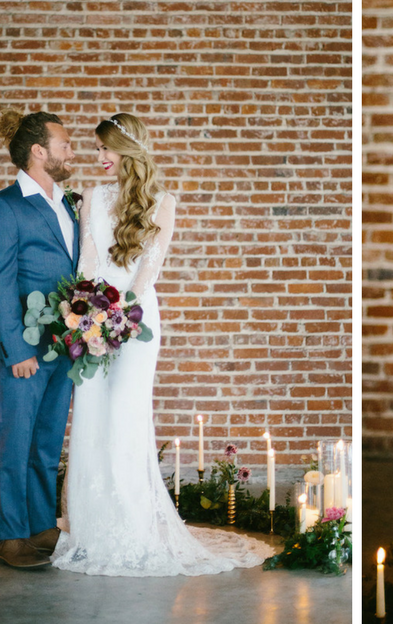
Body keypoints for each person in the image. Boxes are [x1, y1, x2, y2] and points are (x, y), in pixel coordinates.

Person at [51, 113, 271, 576]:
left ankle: (134, 527)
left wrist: (118, 316)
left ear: (129, 151)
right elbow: (88, 261)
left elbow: (148, 272)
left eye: (106, 149)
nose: (100, 158)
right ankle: (91, 528)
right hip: (94, 317)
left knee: (126, 415)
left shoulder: (162, 202)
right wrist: (86, 313)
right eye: (96, 150)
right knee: (90, 413)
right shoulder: (92, 197)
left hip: (136, 318)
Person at [0, 109, 78, 569]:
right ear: (39, 151)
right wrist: (17, 349)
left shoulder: (70, 204)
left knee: (46, 441)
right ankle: (11, 537)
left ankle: (41, 528)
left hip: (64, 347)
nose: (70, 151)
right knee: (15, 442)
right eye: (64, 143)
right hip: (23, 349)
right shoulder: (3, 207)